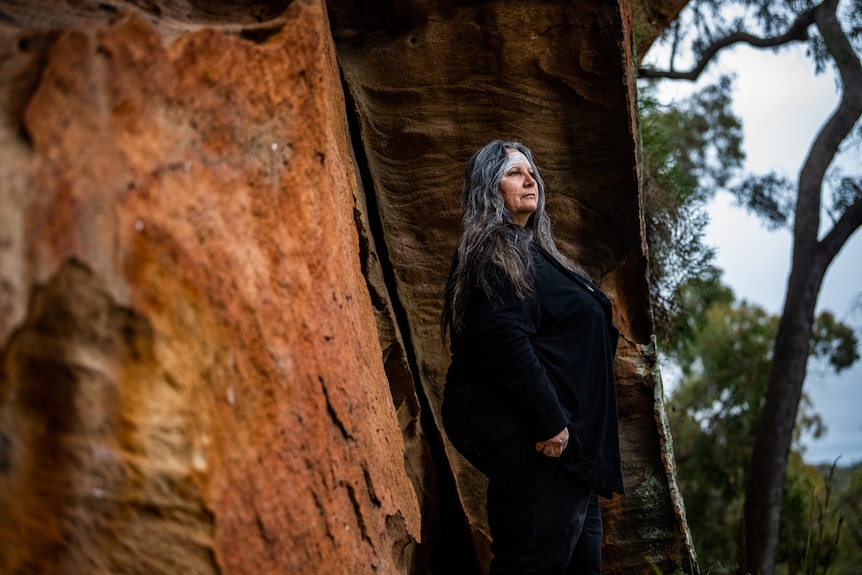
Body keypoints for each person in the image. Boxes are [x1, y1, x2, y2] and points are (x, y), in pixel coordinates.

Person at [441, 140, 624, 574]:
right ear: (489, 188)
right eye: (513, 173)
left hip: (572, 453)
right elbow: (503, 339)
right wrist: (550, 421)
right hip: (543, 442)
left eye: (531, 171)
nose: (530, 179)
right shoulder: (494, 249)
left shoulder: (535, 251)